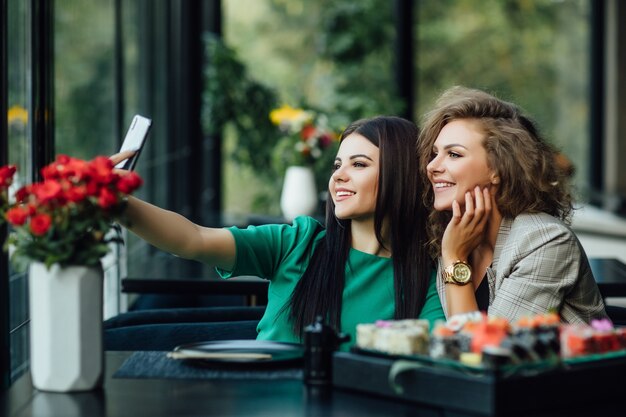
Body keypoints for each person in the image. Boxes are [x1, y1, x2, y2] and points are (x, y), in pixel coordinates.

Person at [111, 115, 445, 348]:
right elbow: (192, 239)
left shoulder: (424, 279)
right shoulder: (298, 243)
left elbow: (450, 359)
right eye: (337, 165)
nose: (339, 176)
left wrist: (456, 252)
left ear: (400, 177)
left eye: (358, 164)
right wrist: (117, 203)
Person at [416, 86, 607, 324]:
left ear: (498, 168)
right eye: (434, 154)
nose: (432, 166)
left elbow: (485, 351)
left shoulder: (545, 240)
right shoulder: (452, 234)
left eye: (453, 154)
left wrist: (454, 259)